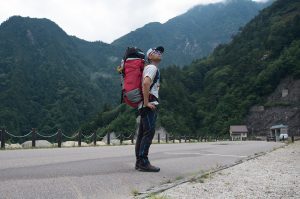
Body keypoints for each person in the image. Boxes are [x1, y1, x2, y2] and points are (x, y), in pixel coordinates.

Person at [135, 46, 164, 172]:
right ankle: (143, 162)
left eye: (160, 52)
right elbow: (146, 83)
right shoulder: (152, 67)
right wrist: (147, 103)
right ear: (149, 56)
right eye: (156, 52)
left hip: (144, 106)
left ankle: (139, 162)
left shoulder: (150, 68)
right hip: (148, 105)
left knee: (142, 134)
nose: (159, 53)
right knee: (149, 132)